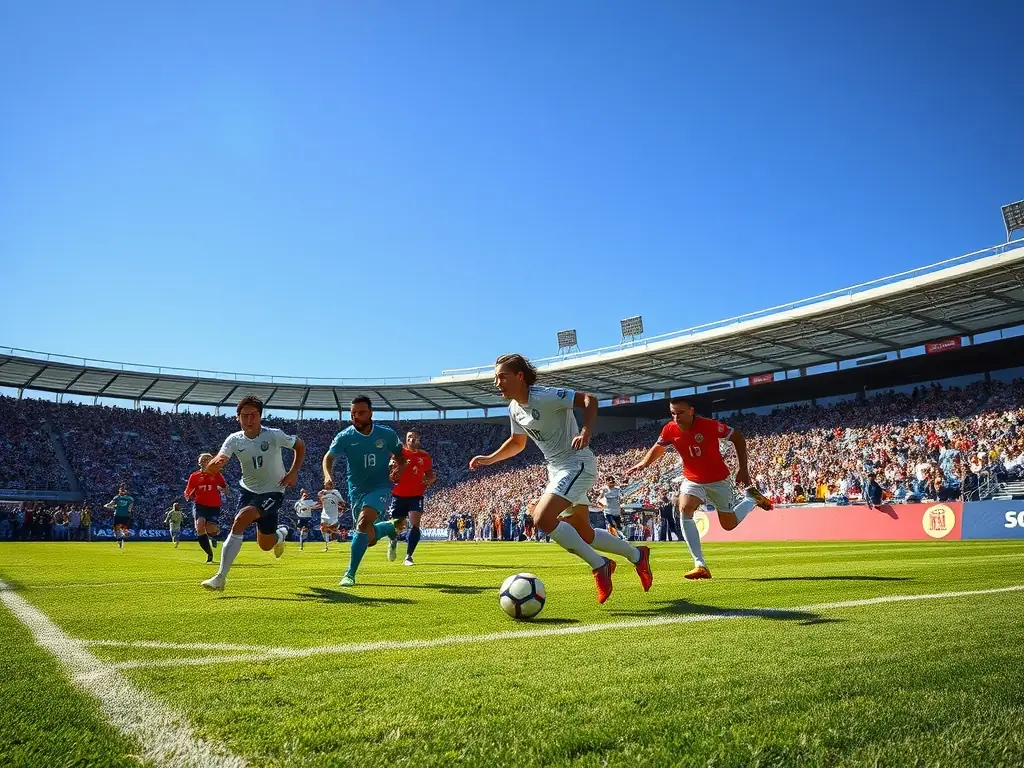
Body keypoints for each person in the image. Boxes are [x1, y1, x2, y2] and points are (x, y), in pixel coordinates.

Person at [469, 354, 652, 604]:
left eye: (502, 376)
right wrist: (489, 459)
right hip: (556, 470)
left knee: (542, 518)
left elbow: (589, 399)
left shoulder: (545, 396)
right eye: (495, 378)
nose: (497, 382)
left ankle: (600, 565)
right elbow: (517, 443)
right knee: (585, 533)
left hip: (576, 464)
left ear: (519, 376)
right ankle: (637, 556)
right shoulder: (514, 408)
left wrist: (586, 431)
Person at [627, 397, 772, 580]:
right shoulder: (670, 429)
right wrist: (644, 463)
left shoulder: (709, 426)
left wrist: (743, 469)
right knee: (684, 508)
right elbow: (659, 448)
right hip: (692, 479)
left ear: (691, 411)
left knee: (728, 525)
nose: (675, 416)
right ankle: (700, 564)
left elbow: (738, 437)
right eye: (672, 412)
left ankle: (752, 499)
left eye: (679, 412)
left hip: (718, 480)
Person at [200, 395, 305, 592]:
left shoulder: (274, 435)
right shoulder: (233, 439)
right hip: (248, 491)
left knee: (241, 519)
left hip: (274, 491)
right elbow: (217, 463)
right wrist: (214, 466)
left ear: (260, 416)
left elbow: (299, 445)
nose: (250, 420)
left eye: (254, 415)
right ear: (237, 418)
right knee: (265, 544)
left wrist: (293, 472)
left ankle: (220, 578)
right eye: (245, 416)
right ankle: (281, 534)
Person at [323, 396, 406, 587]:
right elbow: (329, 457)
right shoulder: (345, 436)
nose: (356, 417)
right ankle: (390, 528)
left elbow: (401, 456)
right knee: (368, 537)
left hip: (381, 487)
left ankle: (349, 574)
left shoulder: (386, 434)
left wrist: (399, 470)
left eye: (360, 413)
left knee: (363, 522)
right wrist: (328, 476)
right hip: (357, 491)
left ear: (370, 413)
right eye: (353, 414)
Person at [389, 429, 436, 565]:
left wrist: (432, 480)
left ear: (419, 439)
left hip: (416, 494)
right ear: (406, 440)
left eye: (414, 437)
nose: (412, 439)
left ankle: (409, 556)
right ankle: (393, 541)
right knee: (397, 525)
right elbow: (391, 475)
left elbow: (430, 474)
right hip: (399, 494)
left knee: (415, 524)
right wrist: (395, 473)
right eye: (409, 437)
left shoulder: (425, 456)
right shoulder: (399, 453)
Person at [185, 453, 230, 563]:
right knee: (200, 526)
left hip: (214, 506)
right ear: (199, 463)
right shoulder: (194, 476)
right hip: (200, 505)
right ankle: (209, 555)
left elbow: (226, 489)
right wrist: (189, 495)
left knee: (212, 531)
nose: (205, 461)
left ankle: (213, 536)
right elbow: (187, 492)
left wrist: (224, 489)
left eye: (208, 459)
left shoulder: (217, 475)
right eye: (203, 459)